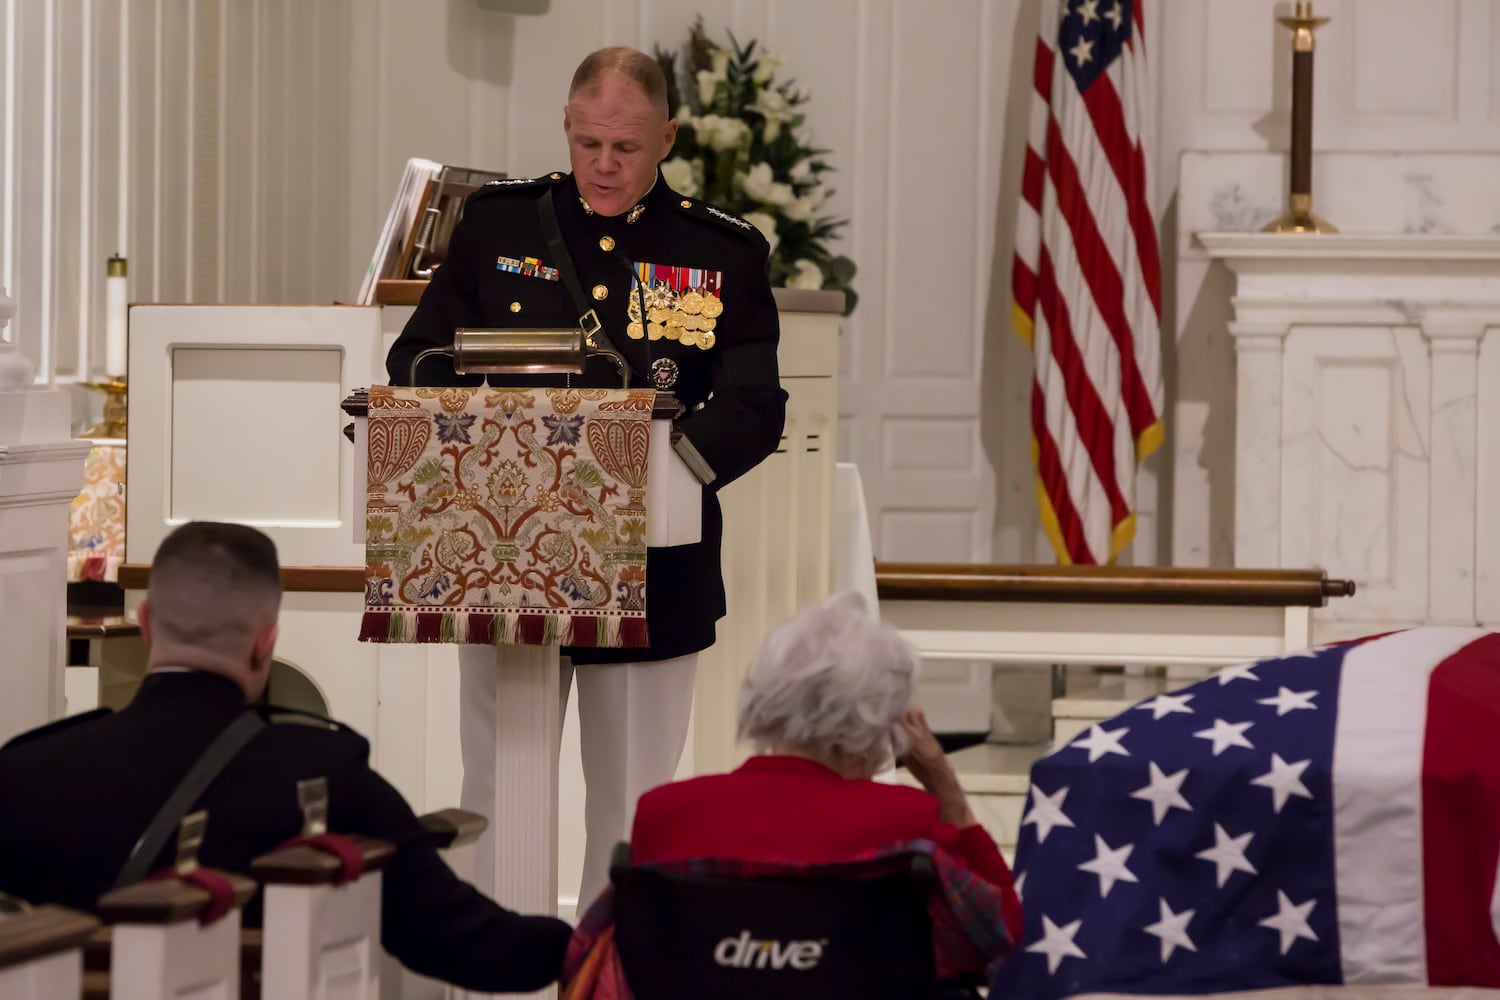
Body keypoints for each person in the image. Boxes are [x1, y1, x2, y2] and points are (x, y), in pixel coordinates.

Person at [385, 46, 787, 906]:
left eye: (628, 148)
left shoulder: (721, 252)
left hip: (654, 567)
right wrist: (502, 437)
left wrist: (642, 471)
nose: (605, 166)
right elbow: (415, 357)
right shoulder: (499, 226)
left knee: (632, 807)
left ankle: (610, 976)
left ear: (668, 137)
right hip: (504, 560)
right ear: (567, 127)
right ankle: (499, 978)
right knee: (495, 790)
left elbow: (755, 406)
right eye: (591, 143)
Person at [0, 522, 571, 995]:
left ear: (147, 626)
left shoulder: (26, 773)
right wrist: (587, 942)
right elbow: (464, 940)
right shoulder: (321, 776)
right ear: (266, 642)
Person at [630, 593, 1024, 967]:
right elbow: (1001, 930)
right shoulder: (908, 825)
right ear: (887, 719)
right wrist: (944, 784)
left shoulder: (665, 813)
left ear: (762, 694)